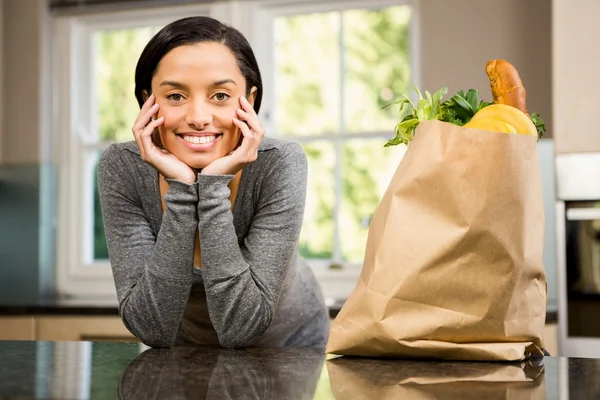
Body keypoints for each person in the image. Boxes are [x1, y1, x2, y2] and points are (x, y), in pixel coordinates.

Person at [97, 16, 330, 348]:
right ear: (148, 100)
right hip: (184, 349)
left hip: (288, 347)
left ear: (248, 101)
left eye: (220, 95)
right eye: (175, 96)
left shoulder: (279, 162)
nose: (198, 117)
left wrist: (212, 185)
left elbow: (242, 327)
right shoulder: (123, 167)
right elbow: (150, 327)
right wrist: (181, 187)